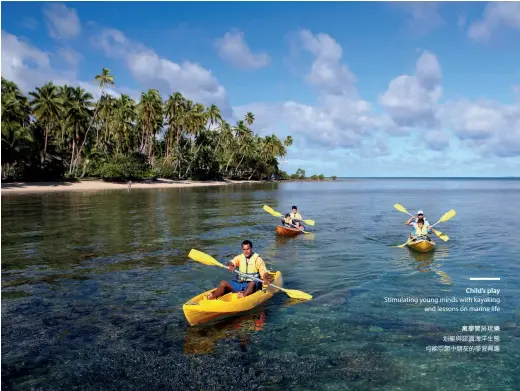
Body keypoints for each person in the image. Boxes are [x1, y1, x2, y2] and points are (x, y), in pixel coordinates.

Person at [206, 240, 270, 300]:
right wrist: (230, 265)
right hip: (239, 282)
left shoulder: (258, 259)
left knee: (252, 283)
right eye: (244, 249)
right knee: (223, 283)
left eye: (248, 249)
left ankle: (243, 296)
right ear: (242, 249)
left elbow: (264, 272)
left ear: (251, 248)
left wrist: (265, 279)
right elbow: (231, 262)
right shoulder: (240, 257)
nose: (246, 251)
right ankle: (213, 296)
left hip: (251, 284)